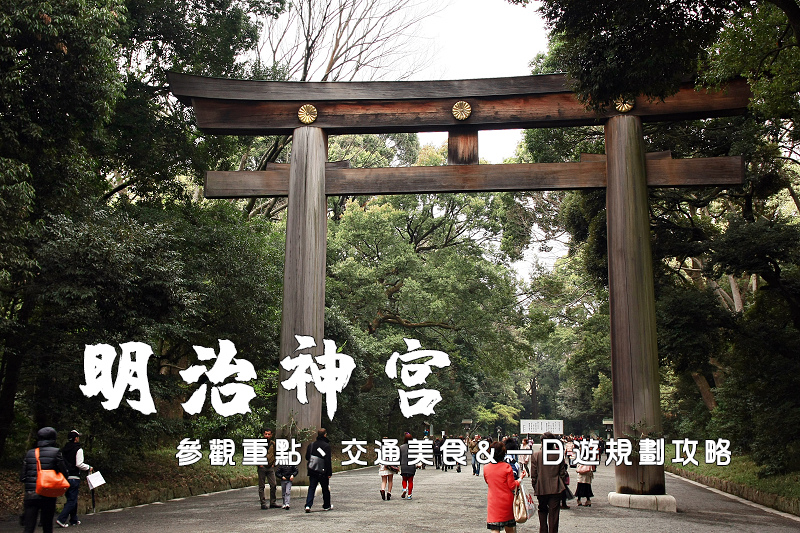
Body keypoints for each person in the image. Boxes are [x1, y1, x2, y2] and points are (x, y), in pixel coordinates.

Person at [20, 427, 69, 533]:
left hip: (31, 494)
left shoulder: (30, 453)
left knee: (29, 527)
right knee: (47, 526)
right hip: (48, 494)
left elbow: (22, 477)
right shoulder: (56, 452)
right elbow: (65, 472)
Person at [484, 441, 525, 533]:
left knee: (495, 529)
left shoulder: (486, 468)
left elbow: (488, 482)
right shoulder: (507, 467)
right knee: (509, 529)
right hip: (507, 501)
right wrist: (520, 479)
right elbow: (512, 486)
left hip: (493, 501)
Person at [531, 432, 567, 533]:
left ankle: (543, 530)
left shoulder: (536, 455)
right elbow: (562, 473)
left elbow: (534, 474)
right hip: (556, 487)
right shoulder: (558, 455)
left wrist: (535, 486)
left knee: (542, 511)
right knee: (554, 514)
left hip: (541, 487)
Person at [55, 430, 92, 528]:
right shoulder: (78, 449)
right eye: (78, 437)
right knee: (72, 500)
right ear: (76, 438)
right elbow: (79, 464)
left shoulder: (64, 450)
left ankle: (74, 519)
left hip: (65, 477)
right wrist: (88, 467)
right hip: (74, 477)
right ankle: (61, 519)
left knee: (71, 498)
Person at [305, 427, 332, 512]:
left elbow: (307, 457)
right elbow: (327, 460)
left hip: (312, 470)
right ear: (325, 435)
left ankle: (308, 505)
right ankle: (326, 505)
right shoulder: (326, 446)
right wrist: (329, 473)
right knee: (325, 488)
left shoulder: (312, 445)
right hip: (323, 471)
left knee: (312, 488)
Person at [257, 428, 279, 509]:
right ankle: (263, 503)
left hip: (270, 467)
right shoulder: (259, 443)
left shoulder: (273, 444)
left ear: (271, 435)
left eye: (269, 434)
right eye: (265, 434)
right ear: (263, 434)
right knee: (261, 486)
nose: (267, 436)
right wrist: (259, 464)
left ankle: (272, 502)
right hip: (262, 466)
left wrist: (273, 463)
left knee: (273, 485)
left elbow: (275, 453)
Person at [398, 432, 416, 499]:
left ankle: (404, 489)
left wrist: (399, 465)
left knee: (404, 479)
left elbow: (400, 457)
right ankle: (409, 495)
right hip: (411, 465)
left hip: (404, 465)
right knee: (410, 480)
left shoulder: (401, 447)